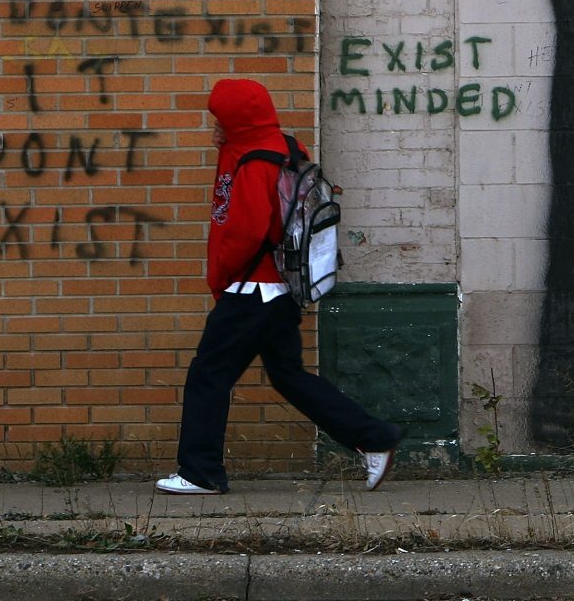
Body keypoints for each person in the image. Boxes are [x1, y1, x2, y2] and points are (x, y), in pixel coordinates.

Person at [156, 78, 404, 495]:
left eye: (219, 118)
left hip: (253, 288)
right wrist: (226, 144)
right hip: (284, 286)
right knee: (287, 374)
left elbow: (246, 230)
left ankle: (200, 472)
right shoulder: (285, 147)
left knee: (209, 374)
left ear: (236, 118)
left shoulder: (253, 162)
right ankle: (374, 437)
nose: (214, 125)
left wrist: (221, 279)